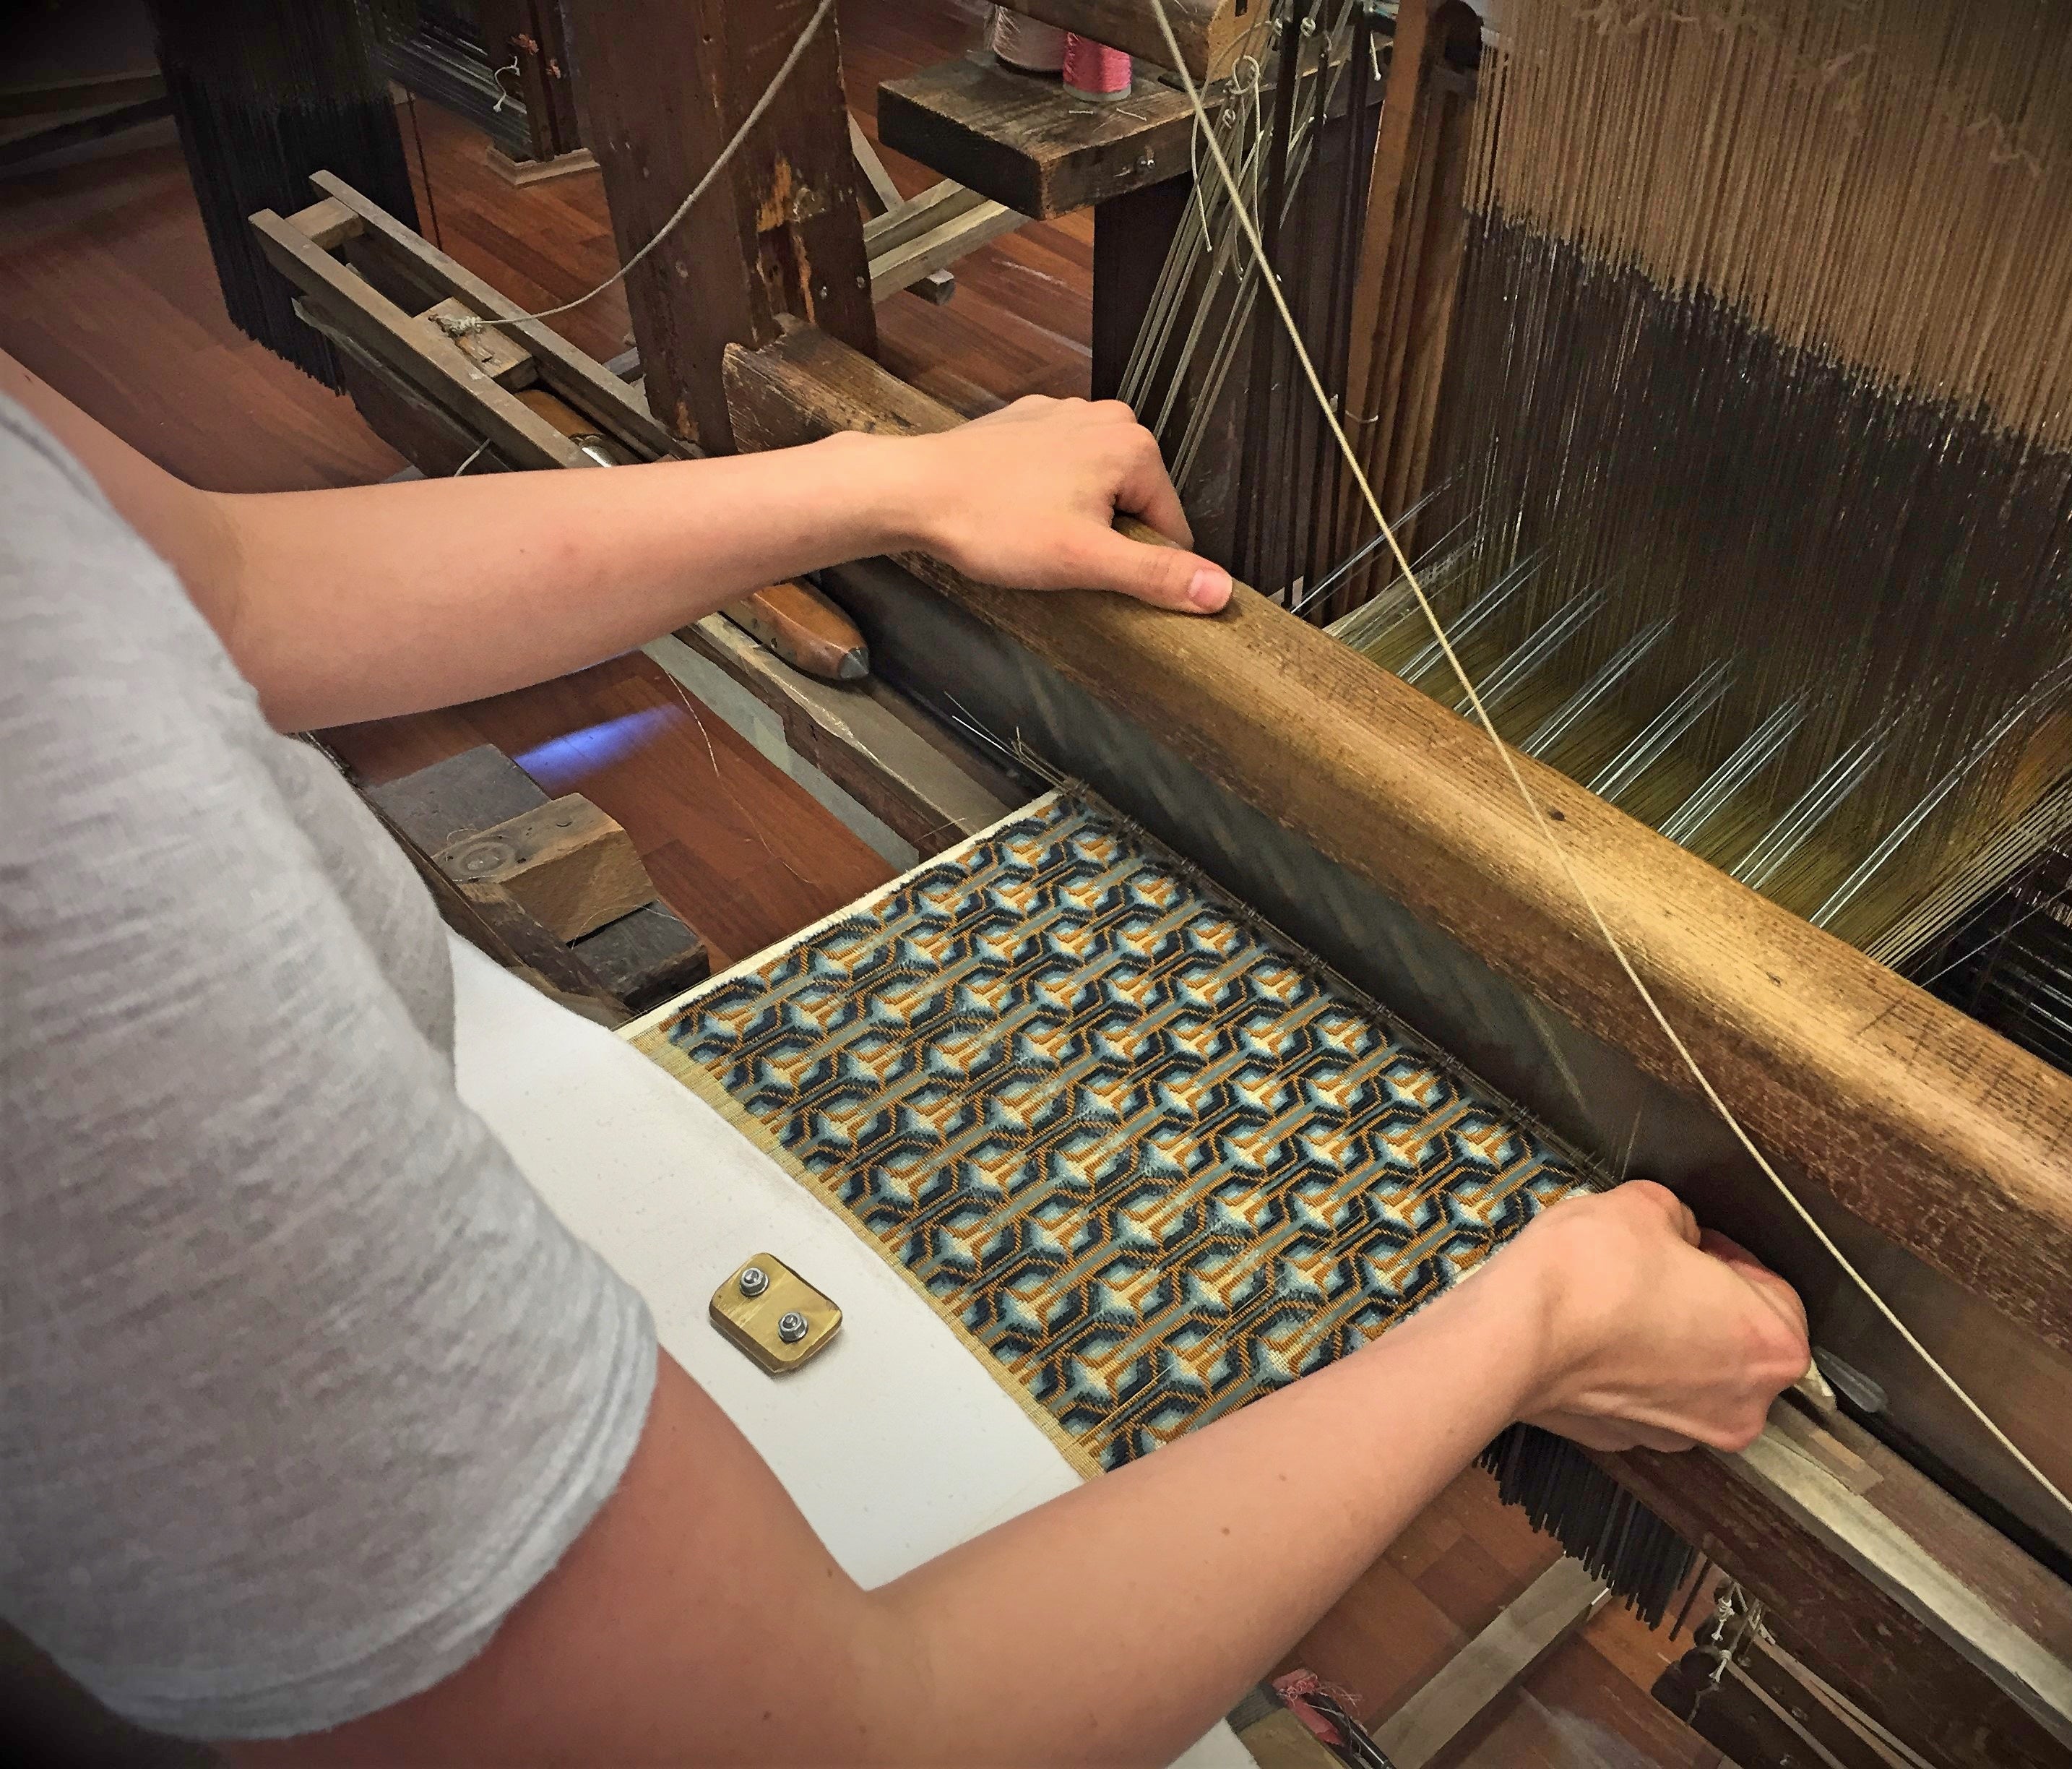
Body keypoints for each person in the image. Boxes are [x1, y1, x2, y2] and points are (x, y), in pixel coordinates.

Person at [0, 345, 1810, 1766]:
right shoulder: (67, 908)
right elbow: (818, 1744)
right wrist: (1530, 1328)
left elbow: (213, 578)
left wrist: (895, 482)